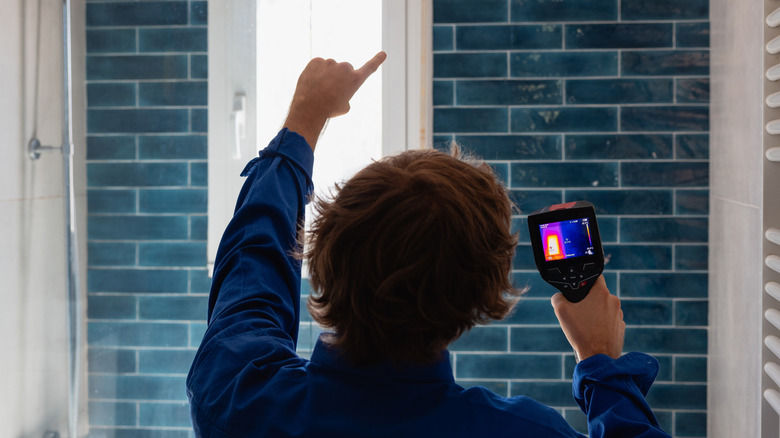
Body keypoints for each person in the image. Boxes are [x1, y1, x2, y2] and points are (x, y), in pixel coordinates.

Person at [187, 52, 670, 437]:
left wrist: (304, 121)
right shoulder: (524, 432)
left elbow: (254, 260)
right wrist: (601, 362)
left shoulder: (236, 396)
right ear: (483, 297)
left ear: (321, 254)